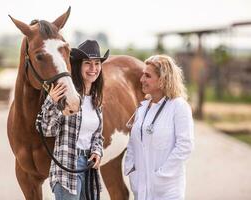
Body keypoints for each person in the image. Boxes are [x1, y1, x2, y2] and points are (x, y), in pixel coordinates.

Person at [36, 40, 109, 200]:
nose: (93, 69)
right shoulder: (67, 97)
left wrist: (97, 151)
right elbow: (46, 129)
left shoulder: (96, 100)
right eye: (88, 63)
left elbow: (97, 135)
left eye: (97, 63)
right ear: (78, 66)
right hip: (67, 167)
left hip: (89, 168)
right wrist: (51, 102)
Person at [124, 55, 194, 200]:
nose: (142, 79)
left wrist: (160, 176)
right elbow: (133, 143)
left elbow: (185, 146)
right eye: (143, 74)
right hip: (141, 188)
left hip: (167, 189)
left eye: (147, 76)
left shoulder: (179, 107)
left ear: (163, 80)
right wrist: (132, 171)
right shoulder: (142, 108)